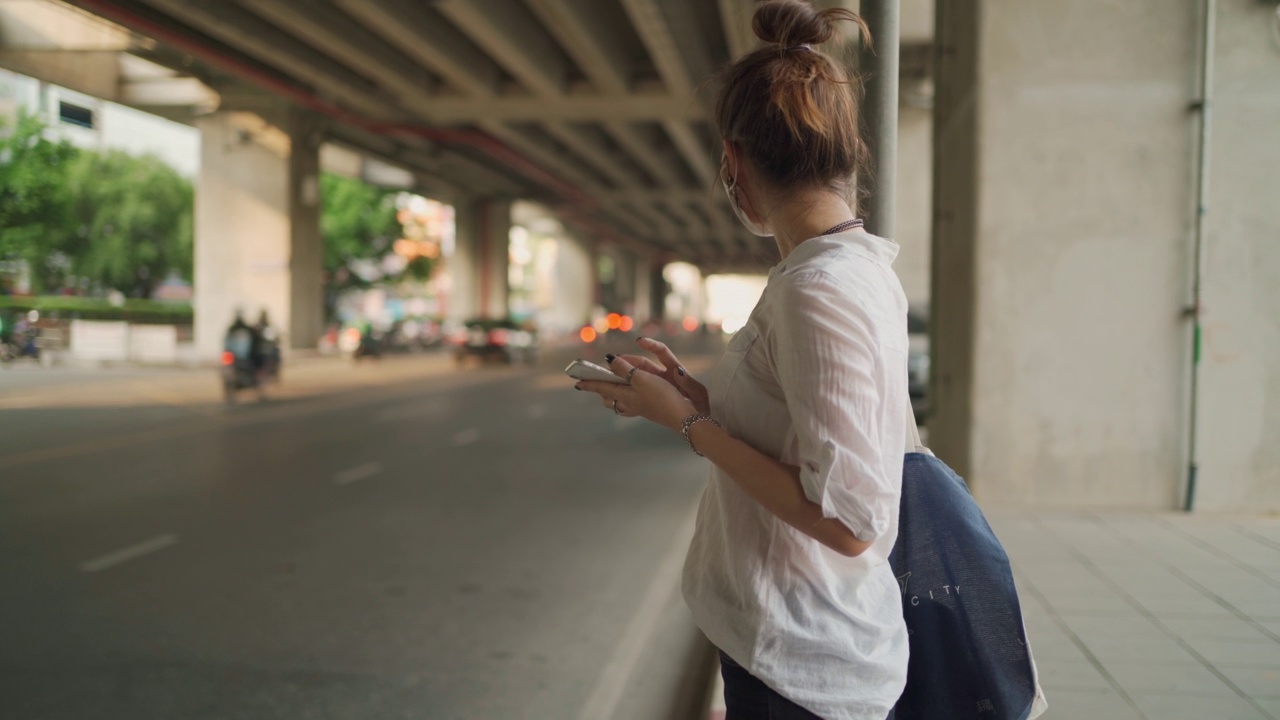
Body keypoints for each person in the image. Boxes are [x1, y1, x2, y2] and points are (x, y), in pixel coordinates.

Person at [574, 2, 909, 718]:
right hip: (793, 647)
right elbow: (804, 425)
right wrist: (695, 398)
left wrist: (691, 431)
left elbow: (851, 521)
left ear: (734, 162)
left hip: (804, 660)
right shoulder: (837, 269)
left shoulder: (819, 289)